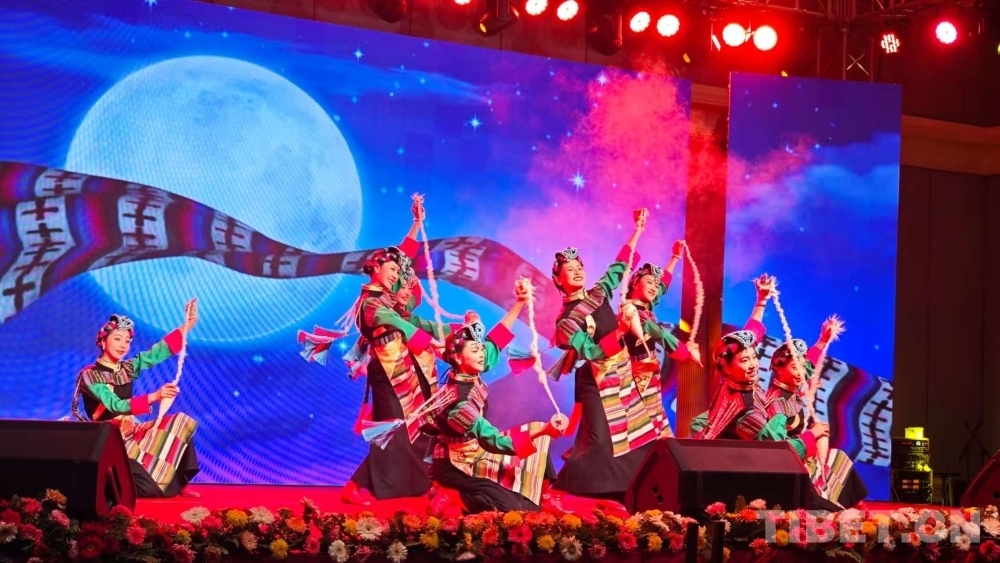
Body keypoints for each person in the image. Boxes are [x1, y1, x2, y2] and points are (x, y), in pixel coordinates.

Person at [409, 280, 565, 513]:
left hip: (477, 451)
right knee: (509, 508)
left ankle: (546, 497)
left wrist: (519, 303)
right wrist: (545, 430)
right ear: (458, 358)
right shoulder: (459, 402)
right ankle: (449, 493)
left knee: (533, 481)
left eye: (480, 349)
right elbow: (496, 442)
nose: (482, 354)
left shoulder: (470, 372)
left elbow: (496, 341)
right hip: (457, 464)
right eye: (475, 350)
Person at [690, 276, 839, 510]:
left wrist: (761, 300)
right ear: (726, 367)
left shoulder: (735, 382)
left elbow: (752, 333)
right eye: (744, 361)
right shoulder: (749, 409)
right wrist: (812, 436)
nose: (752, 365)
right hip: (743, 479)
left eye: (753, 358)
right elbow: (777, 452)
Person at [549, 210, 658, 507]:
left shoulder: (598, 293)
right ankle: (579, 494)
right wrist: (621, 330)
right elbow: (592, 352)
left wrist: (637, 230)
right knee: (598, 441)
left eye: (579, 266)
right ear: (558, 280)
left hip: (622, 374)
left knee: (636, 434)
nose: (577, 271)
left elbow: (619, 267)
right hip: (595, 379)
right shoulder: (566, 322)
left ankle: (629, 492)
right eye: (569, 269)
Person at [71, 299, 201, 498]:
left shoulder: (127, 368)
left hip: (132, 430)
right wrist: (155, 396)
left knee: (181, 422)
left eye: (127, 341)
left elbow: (156, 353)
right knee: (146, 488)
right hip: (110, 437)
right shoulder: (91, 375)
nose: (123, 345)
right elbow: (115, 405)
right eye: (117, 339)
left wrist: (189, 324)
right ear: (103, 342)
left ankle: (179, 481)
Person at [764, 318, 868, 508]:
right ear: (778, 368)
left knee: (838, 458)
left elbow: (808, 364)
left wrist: (823, 340)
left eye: (802, 367)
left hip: (802, 458)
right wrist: (812, 435)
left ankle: (857, 506)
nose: (801, 372)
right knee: (833, 460)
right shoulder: (777, 402)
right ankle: (843, 506)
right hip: (790, 467)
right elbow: (777, 449)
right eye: (794, 367)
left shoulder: (791, 387)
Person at [619, 244, 699, 439]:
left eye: (655, 284)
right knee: (638, 429)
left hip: (648, 377)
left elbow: (662, 286)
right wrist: (685, 352)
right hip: (634, 378)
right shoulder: (631, 311)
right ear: (634, 283)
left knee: (654, 428)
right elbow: (660, 334)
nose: (655, 287)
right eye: (649, 282)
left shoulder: (644, 307)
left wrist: (674, 258)